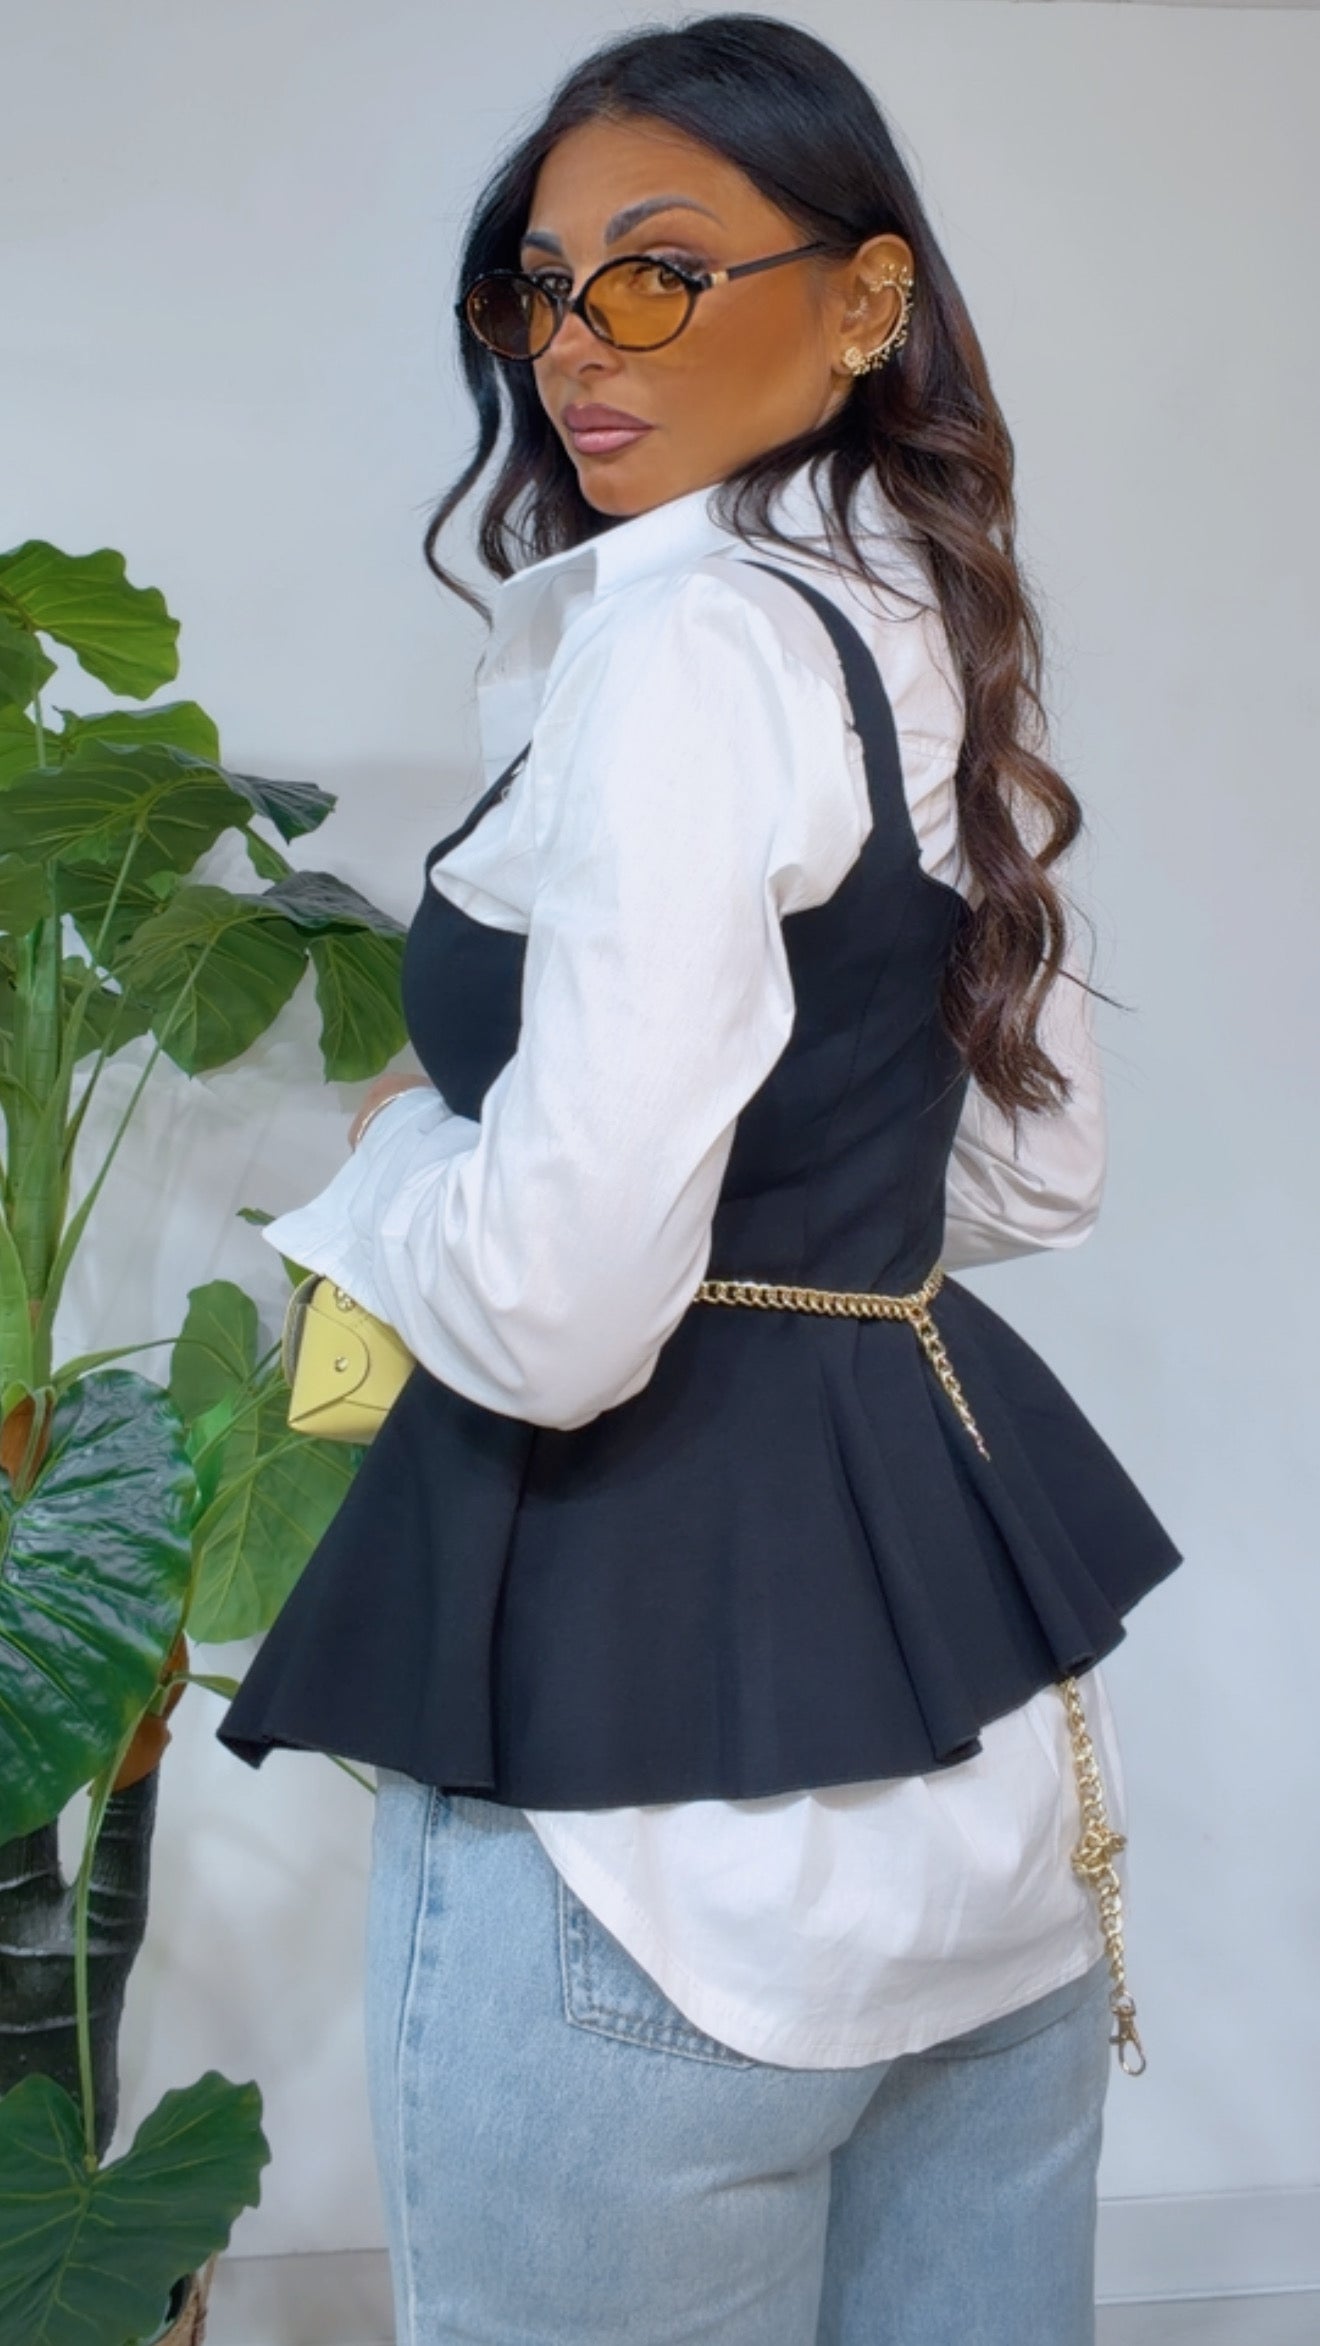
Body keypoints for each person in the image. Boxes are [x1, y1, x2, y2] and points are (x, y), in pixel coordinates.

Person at [217, 15, 1183, 2341]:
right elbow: (1032, 1174)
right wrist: (777, 1212)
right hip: (981, 1822)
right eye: (540, 289)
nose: (576, 345)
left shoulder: (680, 648)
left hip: (637, 1816)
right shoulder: (930, 614)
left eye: (657, 272)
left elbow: (559, 1319)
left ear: (863, 301)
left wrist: (401, 1165)